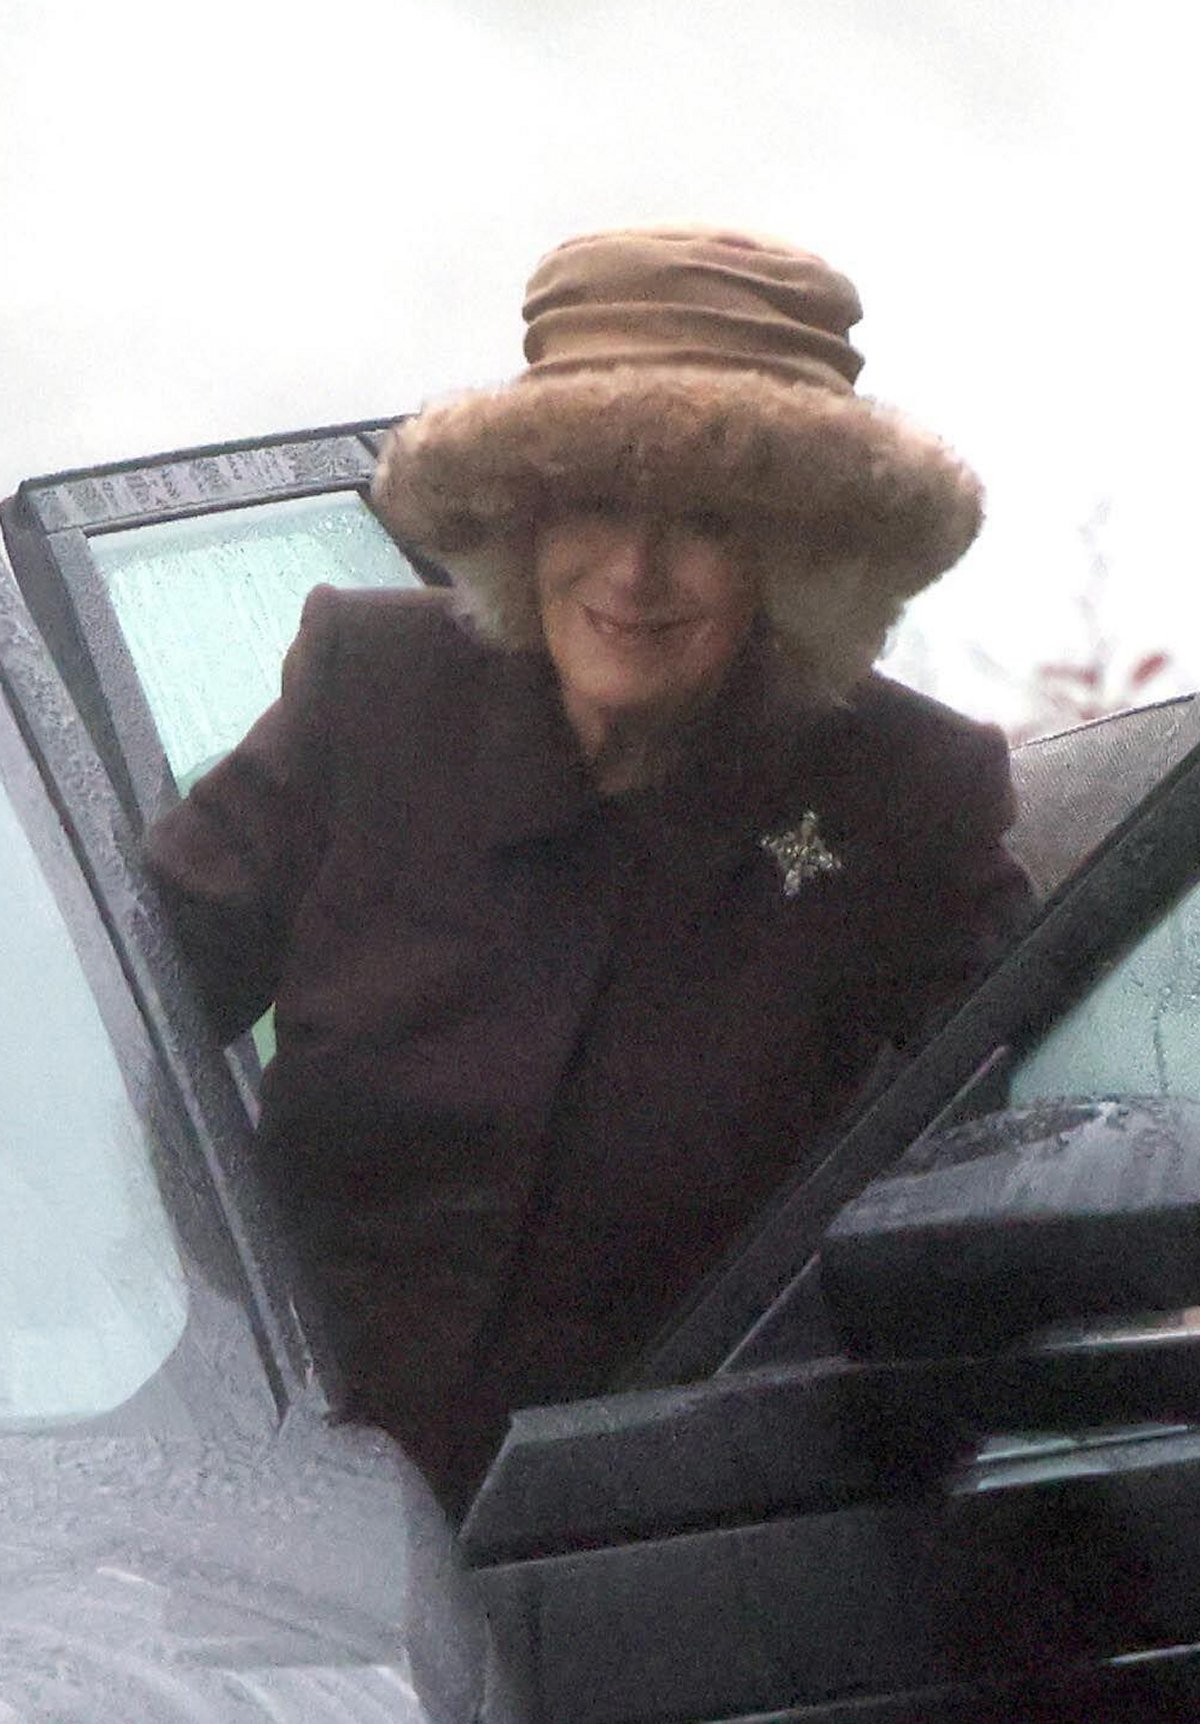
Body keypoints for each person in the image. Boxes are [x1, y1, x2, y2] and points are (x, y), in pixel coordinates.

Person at [145, 225, 1035, 1508]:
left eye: (708, 520)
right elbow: (118, 1030)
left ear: (797, 556)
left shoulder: (904, 797)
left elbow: (1020, 1164)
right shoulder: (373, 687)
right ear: (522, 511)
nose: (635, 569)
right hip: (275, 1504)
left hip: (668, 1547)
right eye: (598, 500)